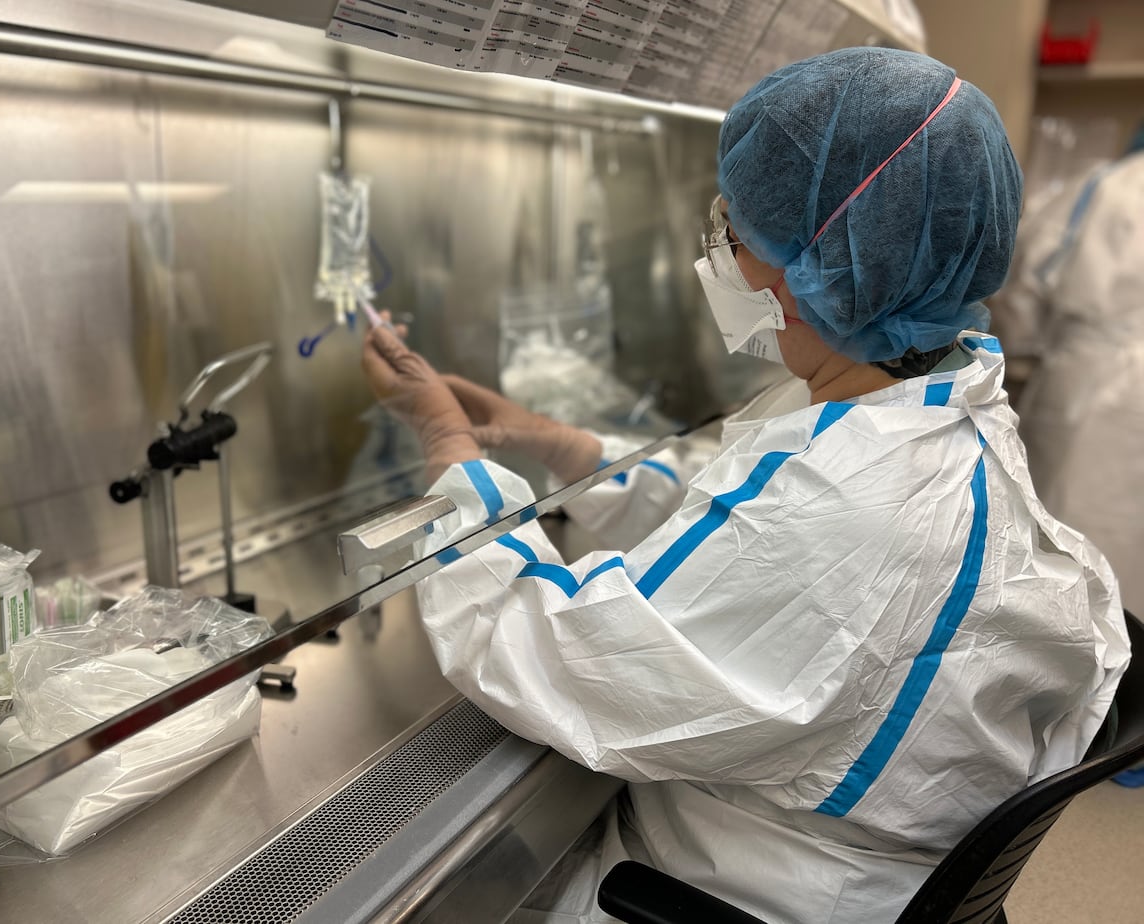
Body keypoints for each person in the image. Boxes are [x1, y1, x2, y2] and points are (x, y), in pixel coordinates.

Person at [361, 48, 1130, 924]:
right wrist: (551, 441)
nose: (720, 251)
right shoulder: (928, 402)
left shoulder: (853, 504)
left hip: (748, 891)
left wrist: (442, 438)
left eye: (736, 234)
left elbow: (550, 656)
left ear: (810, 275)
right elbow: (737, 518)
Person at [992, 139, 1144, 617]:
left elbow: (1022, 296)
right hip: (1098, 375)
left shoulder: (1109, 187)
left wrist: (1017, 342)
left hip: (1093, 387)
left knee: (1072, 561)